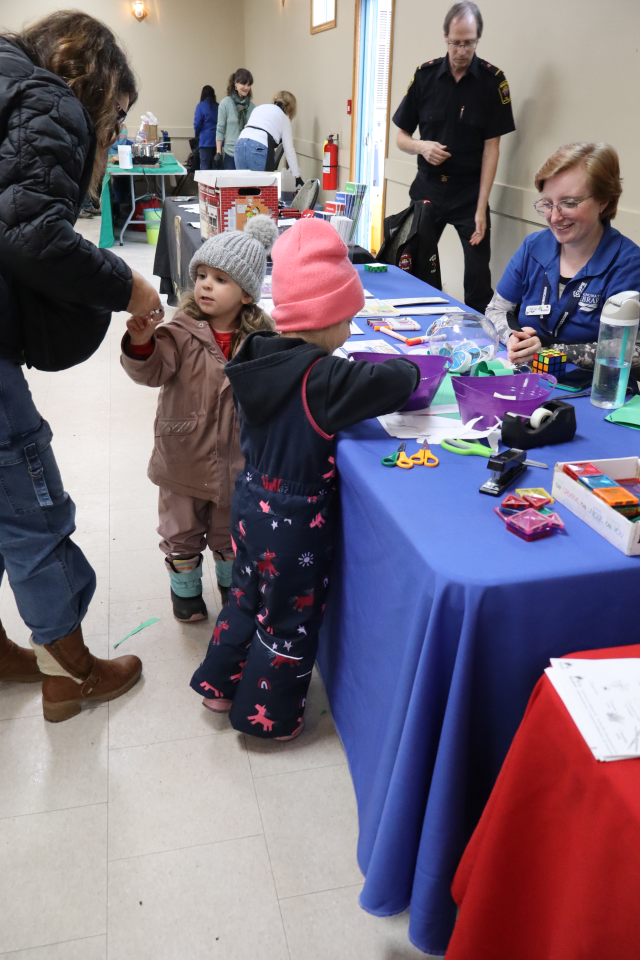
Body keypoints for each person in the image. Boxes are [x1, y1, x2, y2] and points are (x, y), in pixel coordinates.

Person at [189, 219, 420, 740]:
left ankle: (219, 683)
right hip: (296, 522)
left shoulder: (256, 354)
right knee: (289, 620)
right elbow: (397, 380)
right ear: (330, 316)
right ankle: (264, 719)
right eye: (349, 320)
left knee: (248, 595)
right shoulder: (325, 376)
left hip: (250, 505)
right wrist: (405, 365)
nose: (350, 332)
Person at [0, 12, 161, 720]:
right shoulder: (53, 103)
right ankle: (71, 673)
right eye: (116, 116)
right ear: (94, 84)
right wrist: (130, 287)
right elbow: (32, 234)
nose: (115, 133)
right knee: (29, 503)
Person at [121, 216, 277, 623]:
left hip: (239, 462)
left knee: (231, 534)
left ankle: (232, 586)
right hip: (183, 458)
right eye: (202, 275)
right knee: (181, 534)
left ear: (247, 295)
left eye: (221, 280)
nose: (206, 285)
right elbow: (150, 370)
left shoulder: (262, 342)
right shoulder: (179, 332)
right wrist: (141, 342)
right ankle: (185, 592)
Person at [392, 1, 515, 313]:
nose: (462, 50)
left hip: (469, 193)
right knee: (413, 263)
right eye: (456, 42)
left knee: (477, 276)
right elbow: (401, 139)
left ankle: (483, 339)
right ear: (445, 37)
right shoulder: (425, 76)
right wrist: (423, 147)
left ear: (477, 39)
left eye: (469, 43)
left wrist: (480, 208)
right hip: (428, 189)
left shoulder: (493, 82)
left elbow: (492, 149)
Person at [486, 142, 640, 368]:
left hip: (590, 389)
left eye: (568, 203)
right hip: (529, 375)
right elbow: (496, 309)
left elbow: (632, 349)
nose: (554, 217)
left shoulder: (628, 263)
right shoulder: (533, 246)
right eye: (547, 204)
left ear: (603, 201)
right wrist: (514, 337)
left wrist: (550, 351)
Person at [234, 90, 304, 185]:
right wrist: (297, 176)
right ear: (291, 107)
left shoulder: (259, 108)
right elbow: (289, 150)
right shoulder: (284, 118)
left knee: (242, 187)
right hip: (259, 147)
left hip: (240, 144)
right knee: (261, 190)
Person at [215, 68, 255, 170]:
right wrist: (218, 152)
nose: (246, 87)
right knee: (231, 184)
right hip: (230, 153)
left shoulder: (252, 107)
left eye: (249, 85)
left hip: (247, 154)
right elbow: (220, 129)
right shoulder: (225, 103)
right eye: (243, 84)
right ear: (235, 84)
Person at [194, 85, 218, 171]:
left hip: (205, 140)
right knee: (216, 166)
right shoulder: (218, 106)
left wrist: (197, 134)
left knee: (204, 166)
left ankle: (204, 184)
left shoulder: (200, 106)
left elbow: (197, 123)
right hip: (217, 141)